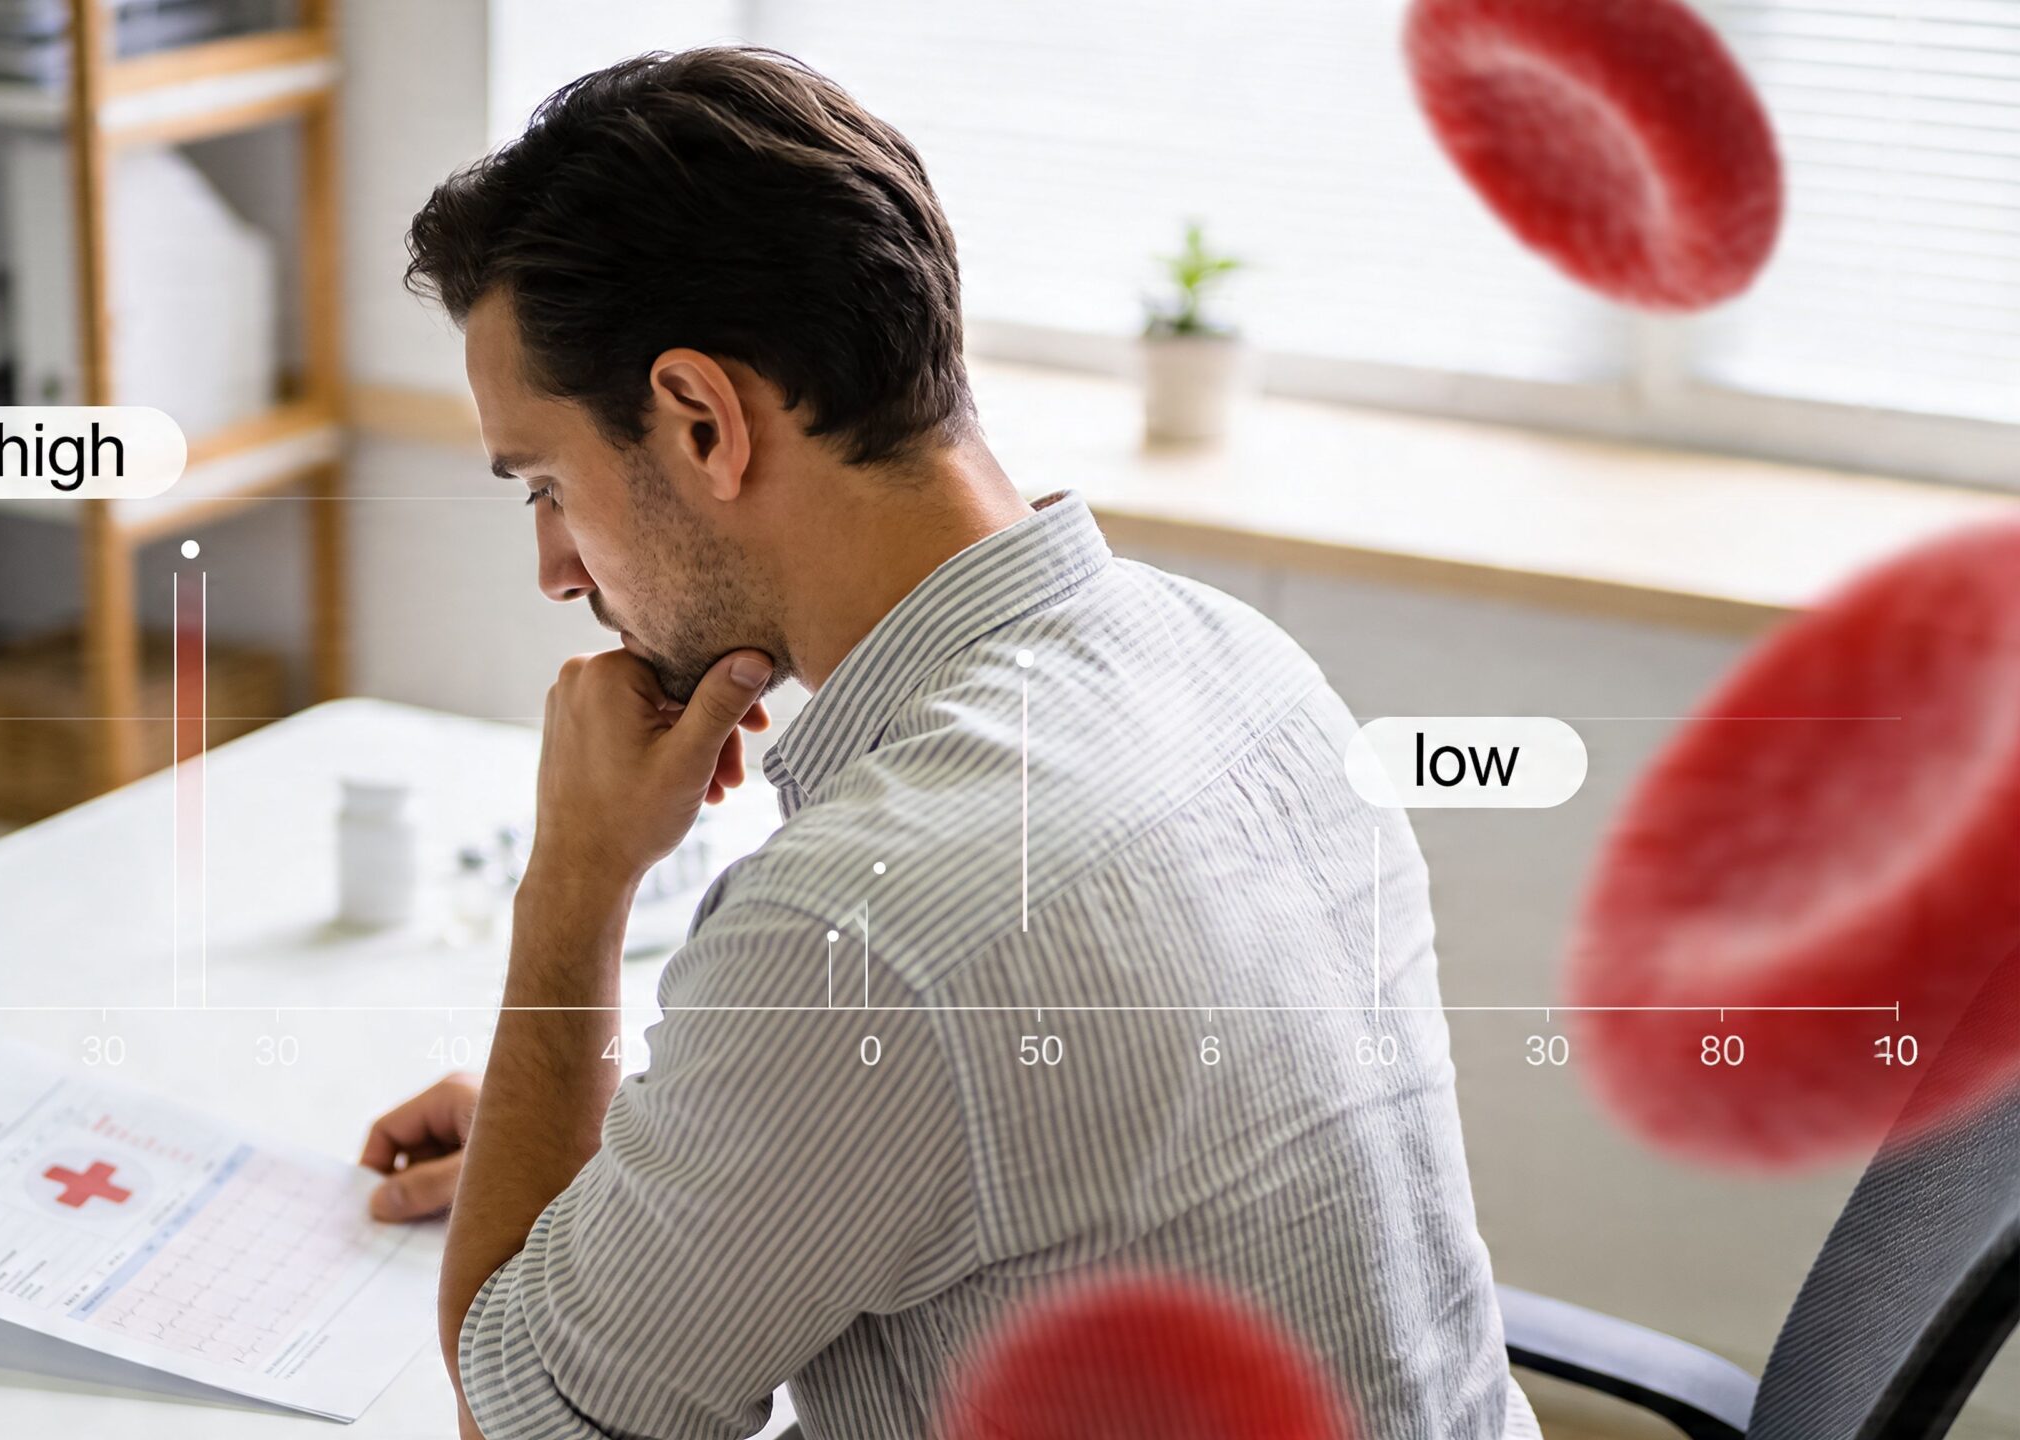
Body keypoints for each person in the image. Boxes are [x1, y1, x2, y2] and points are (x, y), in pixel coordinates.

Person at [358, 46, 1539, 1440]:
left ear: (699, 420)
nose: (558, 568)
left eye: (550, 485)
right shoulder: (1235, 663)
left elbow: (531, 1414)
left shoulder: (865, 931)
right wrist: (656, 1152)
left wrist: (572, 886)